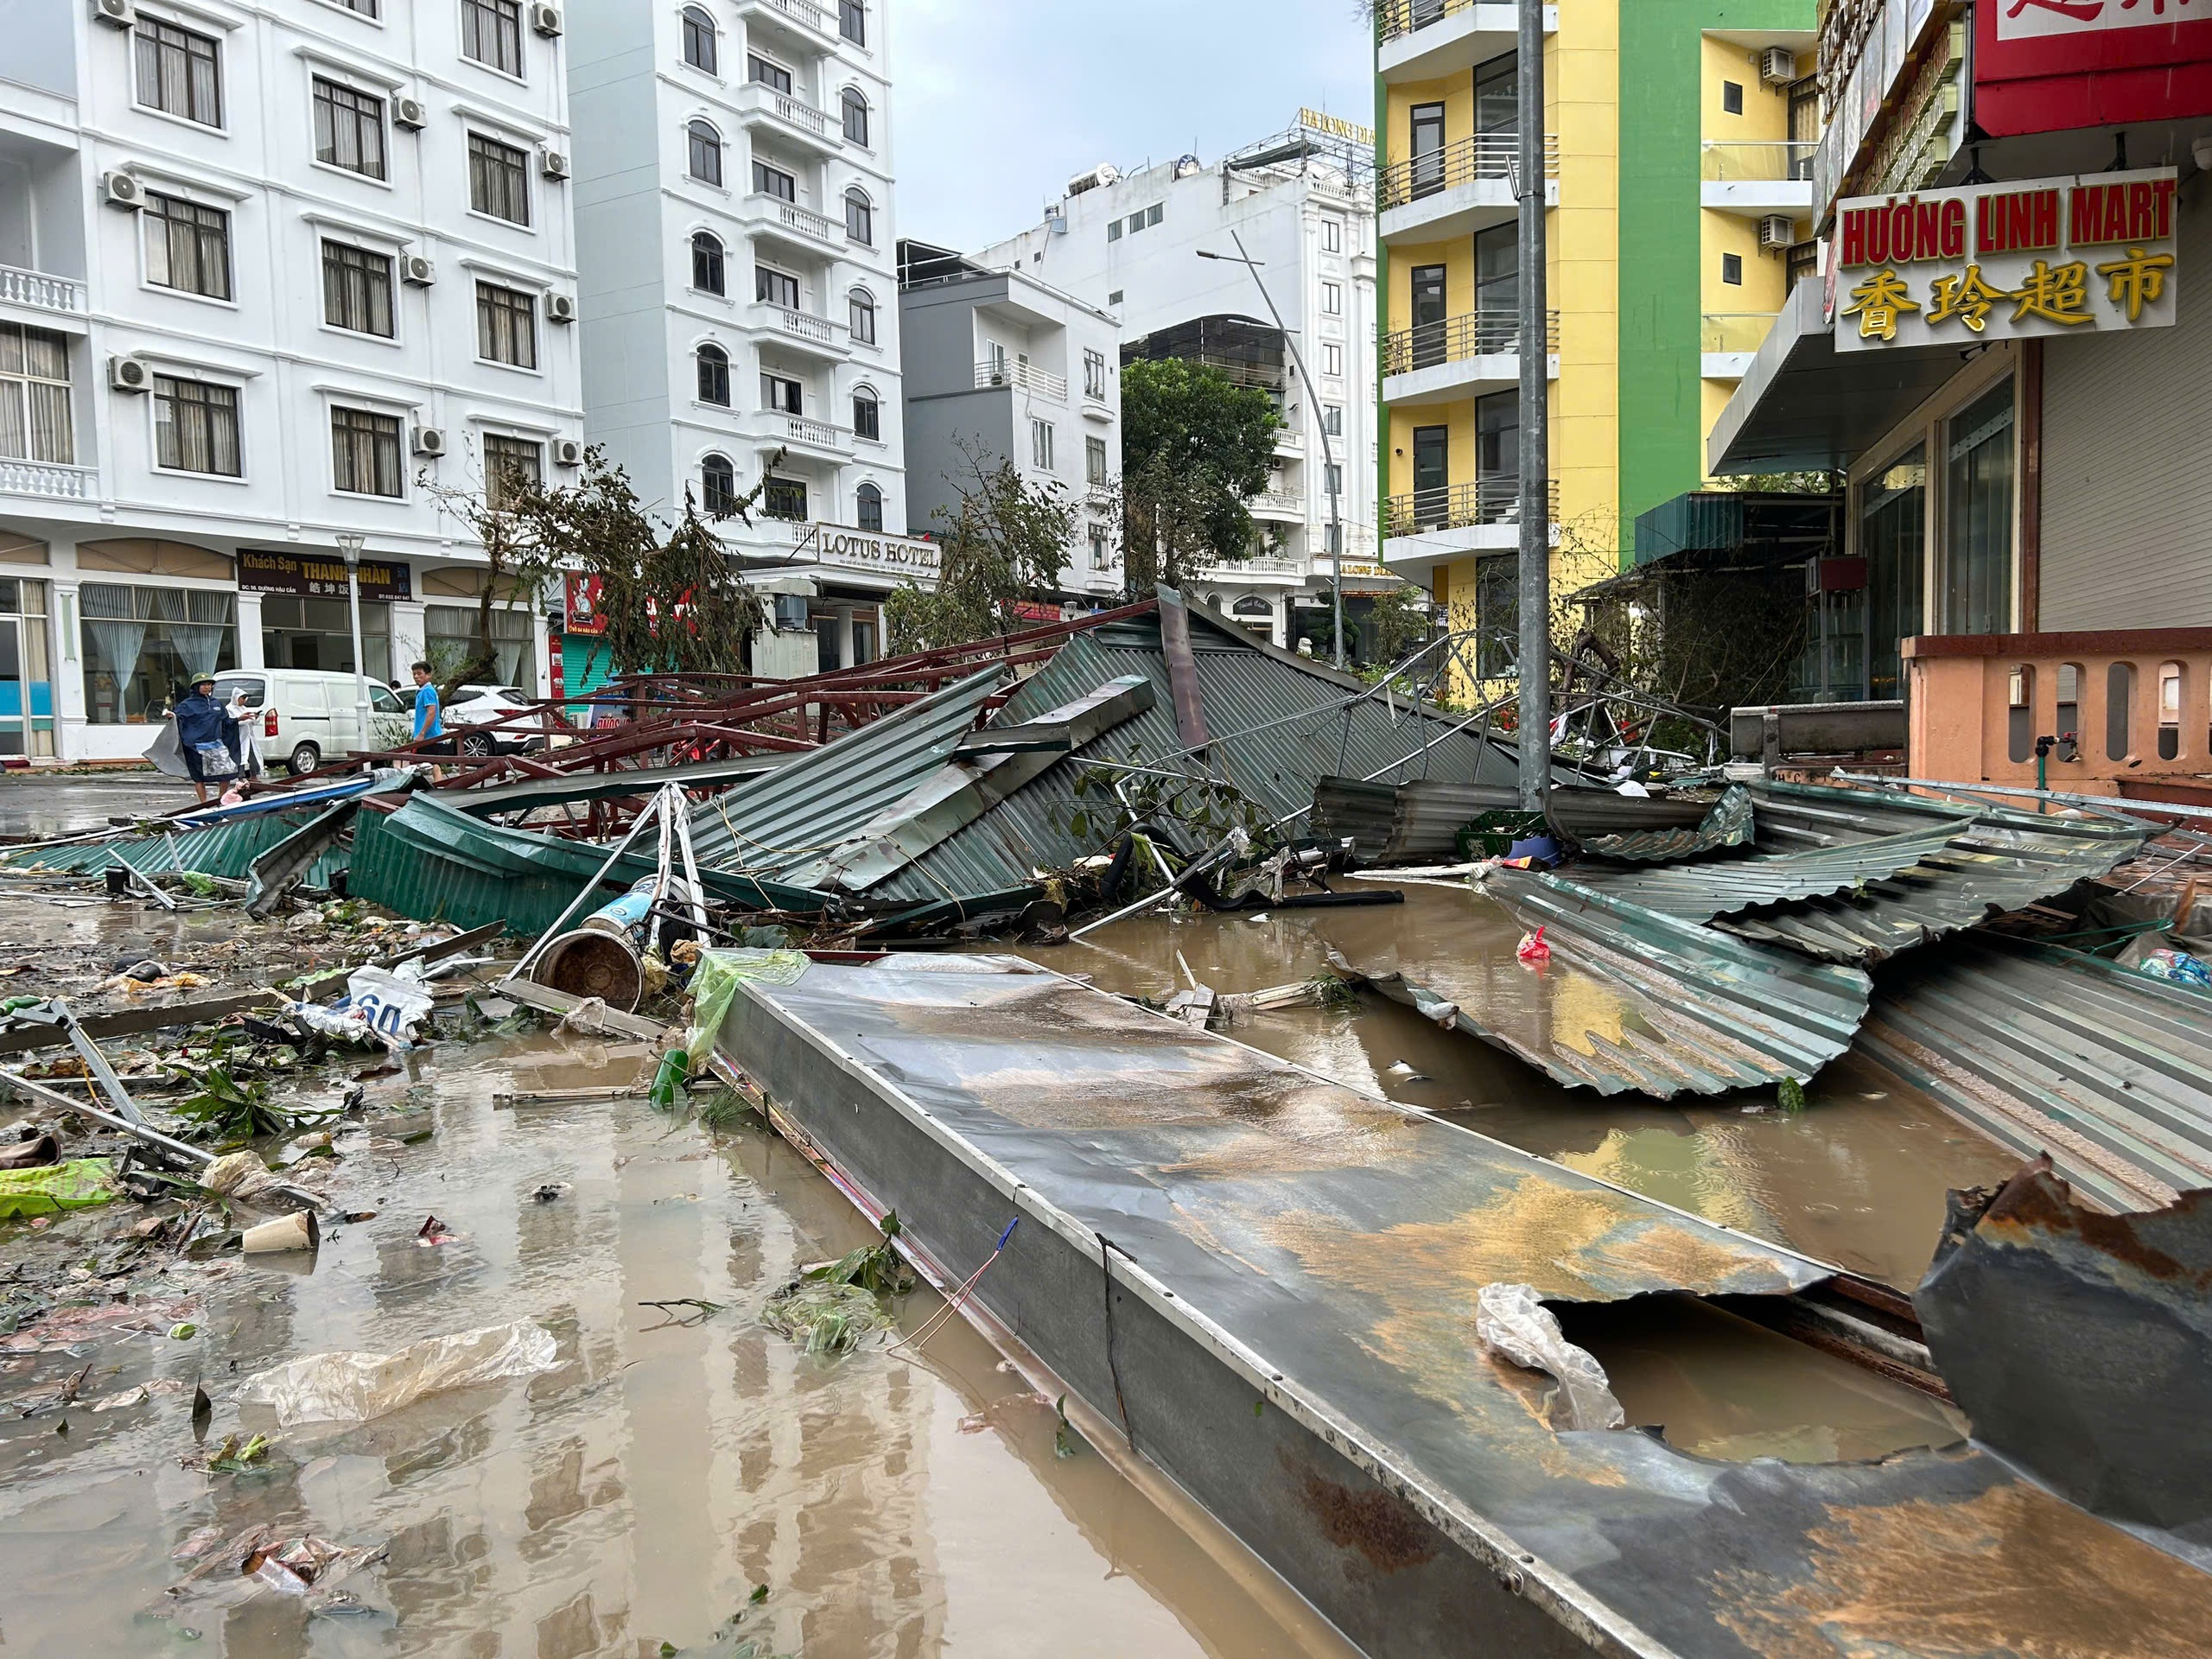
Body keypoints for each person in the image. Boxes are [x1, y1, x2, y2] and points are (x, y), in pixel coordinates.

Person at [173, 674, 243, 804]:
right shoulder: (187, 705)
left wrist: (239, 719)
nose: (207, 687)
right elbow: (177, 719)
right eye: (203, 684)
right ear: (196, 687)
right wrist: (170, 716)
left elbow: (226, 722)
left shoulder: (216, 703)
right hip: (195, 746)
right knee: (199, 777)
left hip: (216, 745)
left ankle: (220, 799)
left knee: (226, 773)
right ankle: (203, 803)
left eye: (209, 684)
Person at [410, 660, 449, 778]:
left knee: (433, 765)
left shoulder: (427, 691)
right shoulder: (423, 691)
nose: (416, 677)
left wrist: (422, 733)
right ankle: (436, 787)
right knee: (430, 764)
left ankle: (438, 788)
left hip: (429, 736)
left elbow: (431, 712)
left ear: (428, 675)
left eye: (419, 673)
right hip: (426, 735)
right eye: (414, 674)